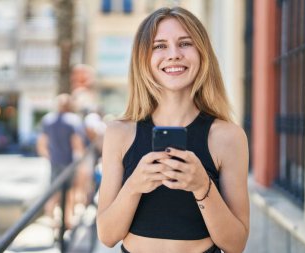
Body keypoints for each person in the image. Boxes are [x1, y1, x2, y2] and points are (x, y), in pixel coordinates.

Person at [96, 7, 249, 253]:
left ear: (202, 53)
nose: (174, 54)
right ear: (143, 57)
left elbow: (236, 244)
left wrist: (202, 186)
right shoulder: (119, 133)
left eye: (185, 43)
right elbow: (107, 235)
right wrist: (134, 185)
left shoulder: (228, 137)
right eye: (160, 46)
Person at [37, 93, 85, 229]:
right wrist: (80, 162)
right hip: (68, 163)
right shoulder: (73, 120)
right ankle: (67, 220)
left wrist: (49, 157)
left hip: (54, 161)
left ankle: (51, 219)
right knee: (68, 192)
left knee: (53, 191)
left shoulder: (47, 120)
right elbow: (77, 143)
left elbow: (41, 143)